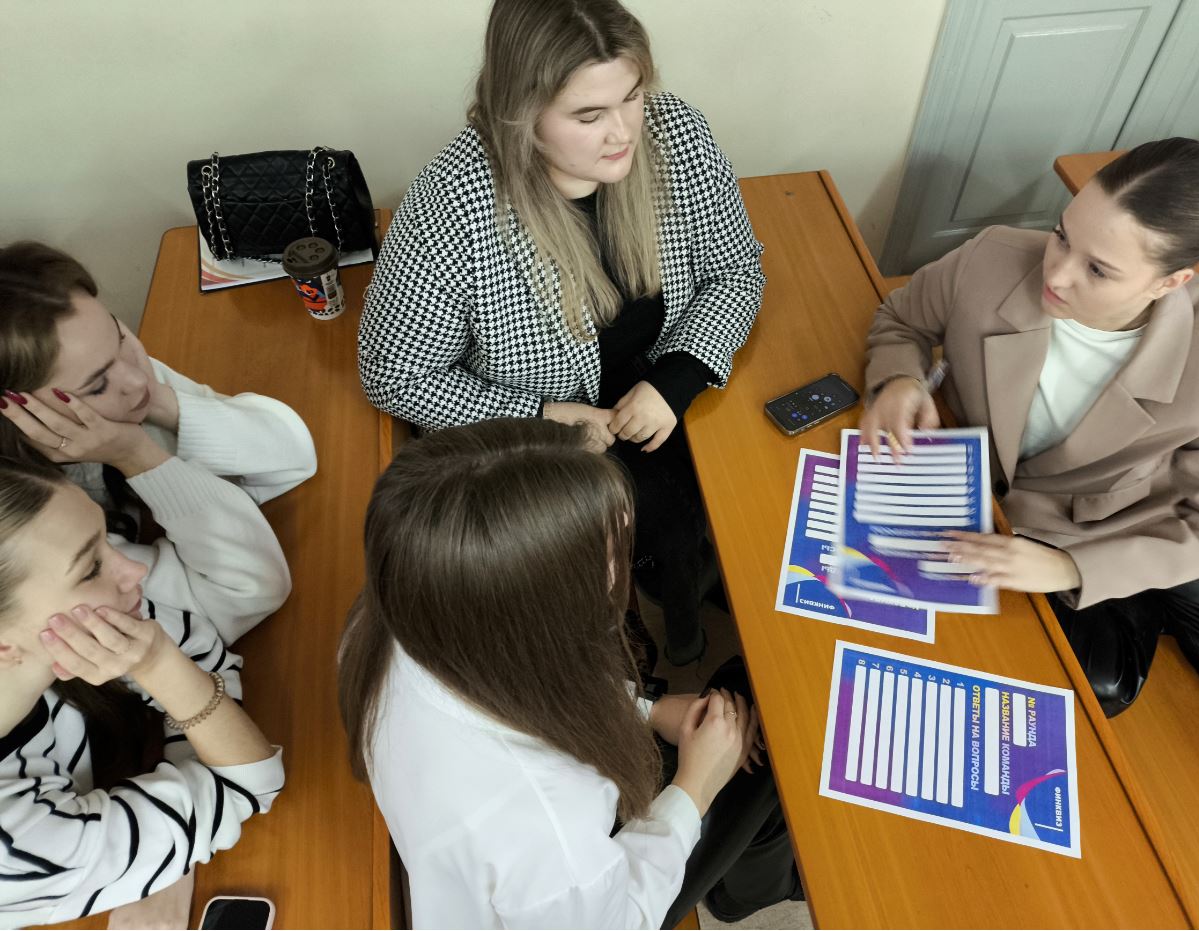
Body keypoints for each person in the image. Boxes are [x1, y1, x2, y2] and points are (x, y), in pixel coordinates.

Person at [357, 0, 765, 665]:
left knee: (737, 493)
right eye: (588, 116)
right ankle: (624, 619)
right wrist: (544, 416)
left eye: (631, 96)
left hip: (662, 389)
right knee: (617, 536)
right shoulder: (450, 206)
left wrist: (680, 376)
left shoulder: (677, 134)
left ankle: (679, 580)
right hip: (543, 431)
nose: (623, 132)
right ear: (521, 113)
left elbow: (736, 269)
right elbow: (395, 375)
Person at [338, 418, 798, 929]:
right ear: (540, 606)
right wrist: (696, 786)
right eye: (609, 553)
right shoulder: (544, 829)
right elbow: (619, 918)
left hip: (508, 858)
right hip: (595, 901)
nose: (621, 565)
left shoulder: (399, 614)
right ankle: (745, 894)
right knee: (770, 721)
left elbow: (526, 678)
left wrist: (644, 710)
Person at [860, 138, 1199, 716]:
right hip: (976, 493)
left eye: (1098, 269)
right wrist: (899, 381)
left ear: (1170, 282)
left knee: (1103, 683)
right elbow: (900, 319)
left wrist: (1070, 567)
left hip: (1097, 527)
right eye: (1062, 234)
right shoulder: (991, 256)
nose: (1055, 273)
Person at [0, 450, 286, 927]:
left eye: (105, 541)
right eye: (91, 568)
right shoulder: (16, 848)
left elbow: (193, 647)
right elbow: (248, 781)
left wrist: (168, 814)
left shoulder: (67, 631)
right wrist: (163, 675)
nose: (136, 571)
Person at [0, 241, 317, 541]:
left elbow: (293, 455)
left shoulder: (123, 370)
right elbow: (247, 575)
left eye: (119, 336)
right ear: (19, 409)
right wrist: (134, 456)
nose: (137, 380)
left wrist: (161, 402)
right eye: (98, 386)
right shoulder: (23, 513)